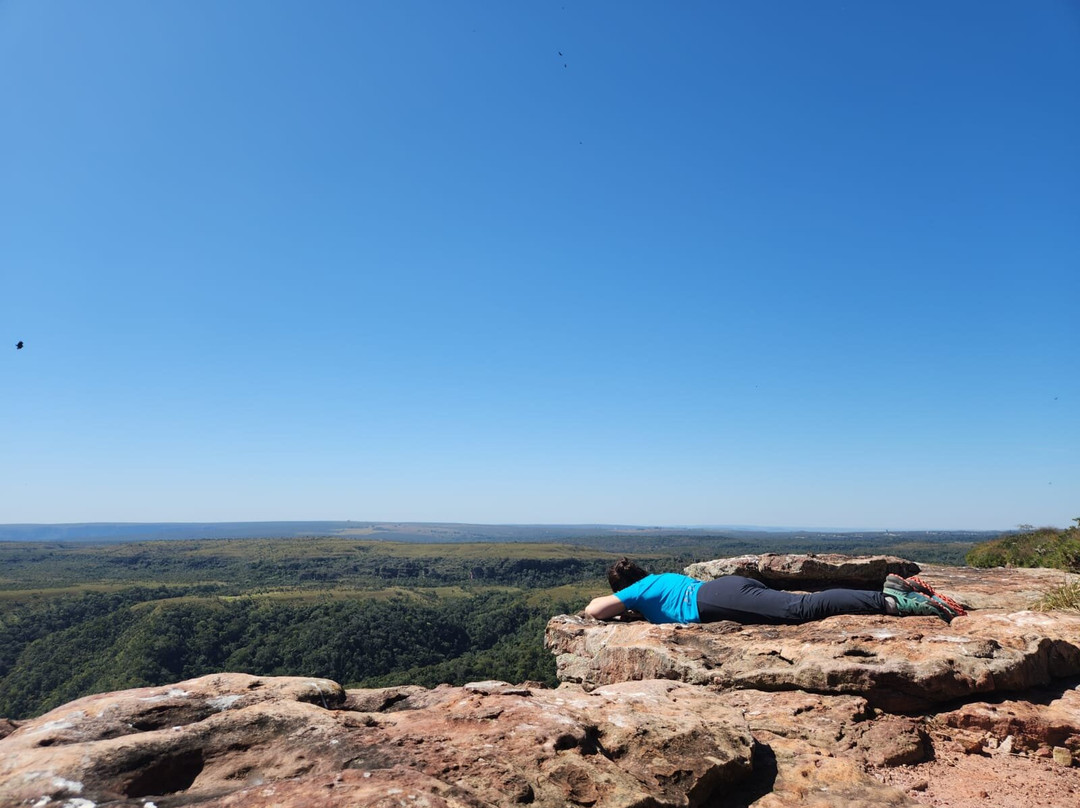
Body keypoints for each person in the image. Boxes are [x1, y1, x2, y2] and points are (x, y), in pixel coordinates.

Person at [584, 557, 964, 625]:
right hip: (726, 589)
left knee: (801, 610)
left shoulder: (639, 589)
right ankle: (891, 591)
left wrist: (624, 607)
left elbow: (594, 610)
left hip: (713, 600)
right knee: (797, 606)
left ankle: (894, 600)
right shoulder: (661, 579)